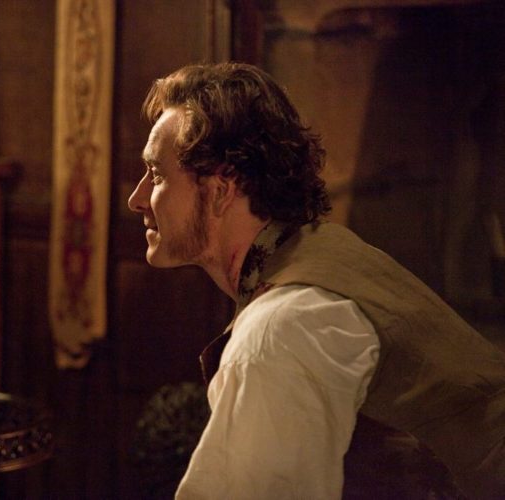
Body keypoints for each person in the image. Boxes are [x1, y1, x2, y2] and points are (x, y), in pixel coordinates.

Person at [128, 62, 505, 499]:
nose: (137, 198)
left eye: (157, 175)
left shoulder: (281, 330)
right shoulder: (326, 254)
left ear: (220, 190)